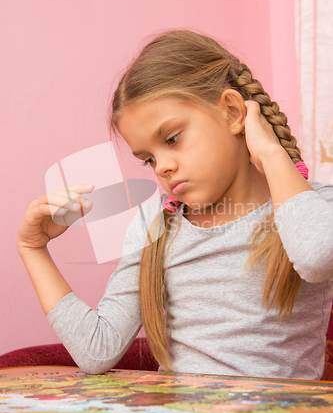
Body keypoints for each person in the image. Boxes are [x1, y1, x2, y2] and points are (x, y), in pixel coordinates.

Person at [17, 29, 333, 380]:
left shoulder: (315, 205)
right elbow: (97, 351)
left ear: (231, 112)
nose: (162, 166)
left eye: (173, 139)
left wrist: (269, 152)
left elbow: (316, 256)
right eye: (148, 159)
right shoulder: (154, 223)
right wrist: (33, 248)